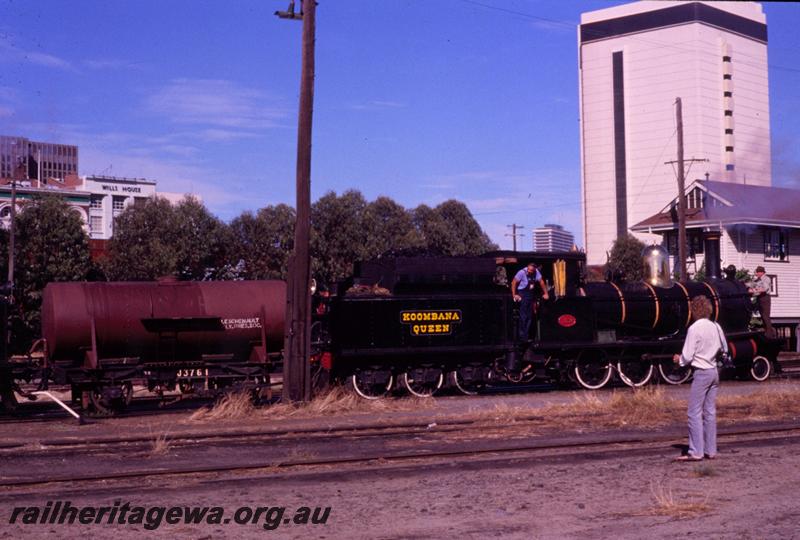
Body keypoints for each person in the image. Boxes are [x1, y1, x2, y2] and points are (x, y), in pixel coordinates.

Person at [672, 295, 727, 461]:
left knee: (693, 412)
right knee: (709, 412)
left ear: (694, 310)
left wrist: (678, 360)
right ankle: (711, 450)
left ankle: (696, 451)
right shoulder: (716, 326)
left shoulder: (694, 328)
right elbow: (724, 348)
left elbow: (687, 356)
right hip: (714, 372)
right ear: (709, 309)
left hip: (701, 372)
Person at [510, 262, 549, 341]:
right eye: (529, 270)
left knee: (530, 317)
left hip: (530, 296)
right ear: (527, 267)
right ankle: (522, 336)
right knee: (523, 317)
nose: (530, 272)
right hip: (523, 295)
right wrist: (514, 295)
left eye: (531, 271)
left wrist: (546, 293)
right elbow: (513, 282)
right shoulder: (521, 272)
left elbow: (541, 282)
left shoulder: (536, 272)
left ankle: (527, 335)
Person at [748, 266, 774, 338]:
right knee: (762, 316)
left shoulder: (766, 279)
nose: (756, 273)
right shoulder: (757, 280)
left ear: (761, 272)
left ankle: (769, 334)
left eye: (757, 272)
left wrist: (755, 290)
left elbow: (764, 289)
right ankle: (766, 332)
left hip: (765, 298)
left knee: (765, 316)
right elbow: (750, 287)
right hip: (759, 298)